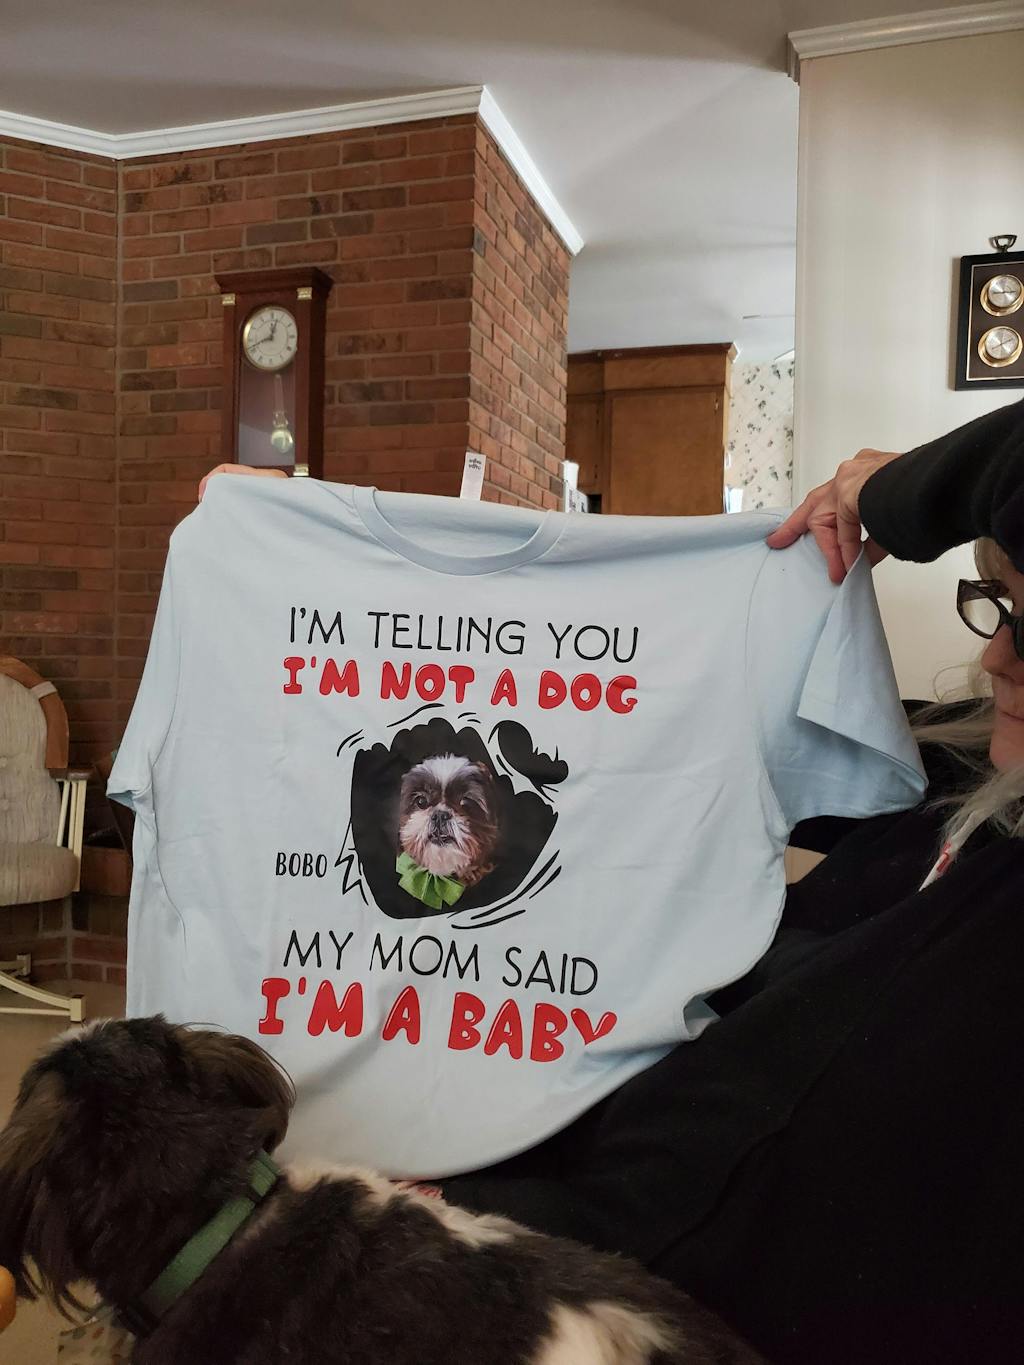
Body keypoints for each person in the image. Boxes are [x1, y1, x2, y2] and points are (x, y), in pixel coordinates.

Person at [199, 398, 1024, 1363]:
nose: (994, 653)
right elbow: (659, 751)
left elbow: (717, 1186)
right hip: (510, 1167)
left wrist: (890, 491)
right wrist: (267, 546)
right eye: (1000, 602)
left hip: (597, 1295)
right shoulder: (967, 778)